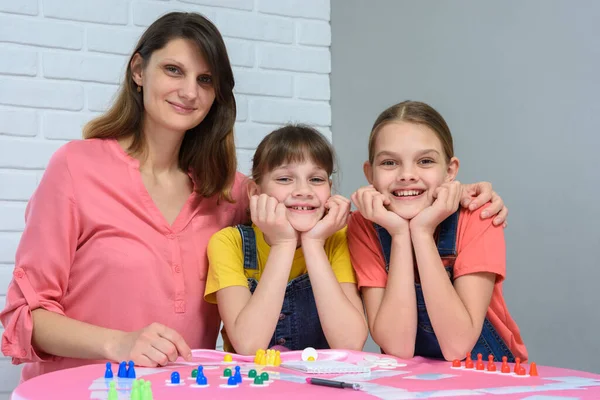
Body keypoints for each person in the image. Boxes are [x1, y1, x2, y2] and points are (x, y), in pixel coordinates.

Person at [0, 12, 248, 381]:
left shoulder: (231, 192)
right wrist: (119, 344)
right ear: (138, 71)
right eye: (174, 70)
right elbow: (25, 317)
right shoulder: (76, 167)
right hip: (79, 391)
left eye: (205, 79)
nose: (190, 92)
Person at [348, 101, 527, 362]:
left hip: (488, 376)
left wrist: (421, 232)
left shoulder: (478, 215)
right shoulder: (363, 225)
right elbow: (398, 347)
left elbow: (457, 346)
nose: (407, 174)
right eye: (389, 162)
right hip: (412, 380)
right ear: (370, 173)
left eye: (426, 161)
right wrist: (399, 234)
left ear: (450, 171)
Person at [204, 125, 368, 355]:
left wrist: (313, 244)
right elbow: (249, 345)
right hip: (254, 386)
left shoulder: (337, 240)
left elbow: (350, 343)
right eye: (284, 179)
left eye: (316, 179)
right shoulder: (229, 244)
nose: (304, 190)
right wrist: (283, 244)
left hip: (321, 385)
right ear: (254, 192)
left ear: (329, 190)